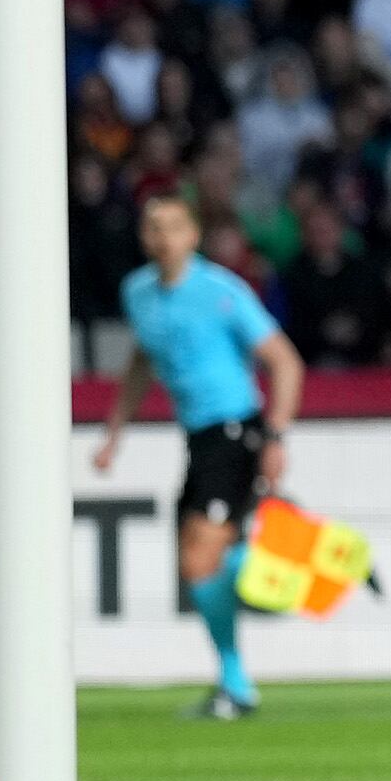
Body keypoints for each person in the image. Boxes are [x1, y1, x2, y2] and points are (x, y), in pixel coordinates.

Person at [91, 194, 308, 719]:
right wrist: (116, 432)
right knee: (195, 565)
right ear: (144, 238)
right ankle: (235, 676)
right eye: (153, 228)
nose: (163, 238)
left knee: (198, 560)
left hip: (237, 431)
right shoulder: (138, 292)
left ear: (193, 236)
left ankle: (238, 674)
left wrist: (276, 436)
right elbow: (143, 359)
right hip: (198, 439)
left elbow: (285, 362)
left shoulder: (220, 291)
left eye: (174, 227)